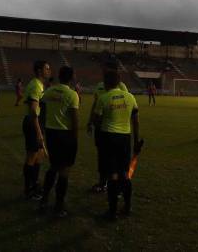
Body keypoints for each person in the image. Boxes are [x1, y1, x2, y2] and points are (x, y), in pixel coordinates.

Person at [92, 68, 141, 220]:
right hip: (125, 138)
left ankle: (112, 212)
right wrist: (136, 140)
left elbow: (96, 120)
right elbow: (136, 121)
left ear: (106, 83)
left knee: (112, 174)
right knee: (125, 173)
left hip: (109, 137)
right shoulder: (130, 97)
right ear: (119, 82)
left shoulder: (104, 98)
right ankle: (127, 207)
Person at [39, 66, 79, 217]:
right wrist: (75, 140)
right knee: (64, 171)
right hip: (66, 135)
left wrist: (43, 131)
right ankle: (58, 206)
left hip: (51, 133)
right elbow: (74, 120)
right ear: (71, 78)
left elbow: (42, 114)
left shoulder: (48, 92)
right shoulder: (72, 94)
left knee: (53, 167)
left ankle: (44, 199)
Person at [87, 57, 129, 193]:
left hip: (115, 129)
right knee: (102, 155)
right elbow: (95, 104)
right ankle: (102, 183)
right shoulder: (100, 86)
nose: (102, 70)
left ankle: (116, 185)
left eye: (105, 68)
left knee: (116, 158)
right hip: (100, 128)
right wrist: (90, 121)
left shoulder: (121, 86)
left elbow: (125, 106)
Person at [22, 60, 51, 200]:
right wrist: (39, 133)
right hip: (33, 124)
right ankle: (29, 189)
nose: (49, 71)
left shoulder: (39, 85)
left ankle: (34, 184)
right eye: (47, 68)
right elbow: (34, 111)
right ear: (39, 70)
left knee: (39, 156)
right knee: (31, 157)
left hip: (37, 123)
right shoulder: (35, 85)